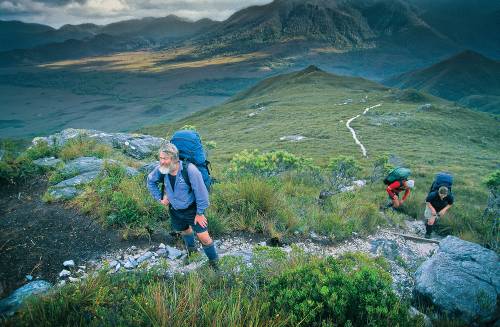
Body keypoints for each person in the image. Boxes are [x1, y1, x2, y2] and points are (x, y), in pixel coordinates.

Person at [147, 142, 219, 270]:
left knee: (204, 238)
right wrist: (160, 198)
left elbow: (201, 193)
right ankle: (192, 253)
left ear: (174, 159)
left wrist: (200, 213)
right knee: (185, 230)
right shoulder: (162, 170)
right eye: (160, 158)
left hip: (193, 209)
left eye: (165, 159)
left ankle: (215, 265)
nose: (162, 162)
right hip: (175, 210)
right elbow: (150, 180)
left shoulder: (189, 170)